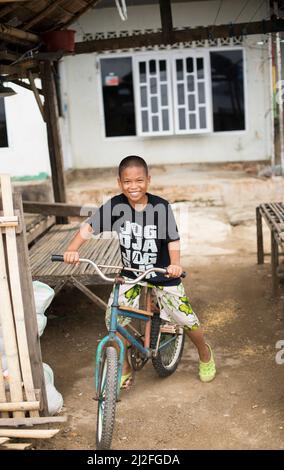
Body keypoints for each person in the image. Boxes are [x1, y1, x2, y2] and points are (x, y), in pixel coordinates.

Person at [63, 156, 216, 388]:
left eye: (139, 180)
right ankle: (124, 367)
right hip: (132, 273)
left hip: (163, 274)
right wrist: (72, 249)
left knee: (185, 318)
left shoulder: (160, 207)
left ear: (148, 180)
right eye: (127, 182)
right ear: (119, 183)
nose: (133, 186)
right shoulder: (115, 206)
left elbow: (173, 240)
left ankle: (205, 353)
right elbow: (89, 226)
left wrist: (175, 264)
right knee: (114, 318)